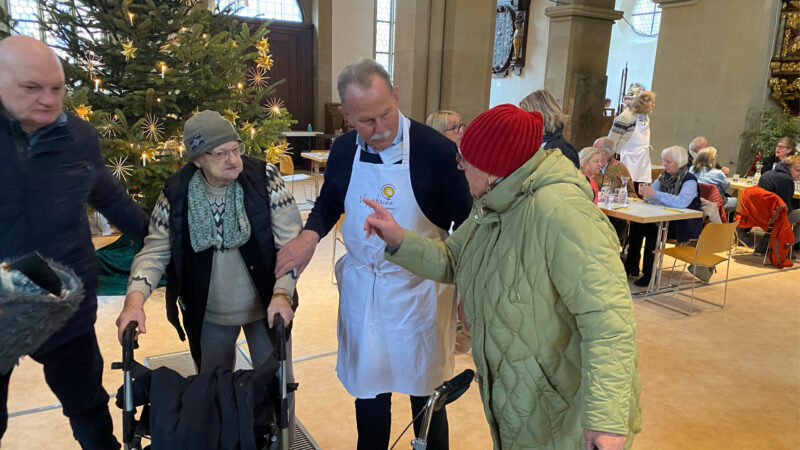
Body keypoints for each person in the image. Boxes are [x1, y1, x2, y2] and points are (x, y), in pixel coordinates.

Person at [361, 104, 641, 450]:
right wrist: (400, 240)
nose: (459, 166)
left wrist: (606, 421)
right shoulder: (493, 203)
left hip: (566, 416)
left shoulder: (564, 214)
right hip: (522, 404)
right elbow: (454, 259)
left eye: (465, 159)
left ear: (493, 168)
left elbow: (609, 323)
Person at [274, 58, 472, 450]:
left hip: (421, 292)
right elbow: (330, 200)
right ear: (346, 117)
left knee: (427, 397)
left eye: (386, 113)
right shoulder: (345, 150)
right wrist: (310, 236)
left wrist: (467, 287)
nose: (380, 129)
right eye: (367, 121)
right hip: (366, 290)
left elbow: (465, 226)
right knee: (370, 394)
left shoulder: (435, 151)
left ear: (396, 96)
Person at [0, 35, 150, 449]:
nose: (49, 100)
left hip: (64, 304)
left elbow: (110, 196)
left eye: (57, 88)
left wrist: (162, 240)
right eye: (32, 88)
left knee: (89, 410)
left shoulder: (78, 136)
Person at [115, 111, 302, 438]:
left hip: (267, 304)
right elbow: (155, 250)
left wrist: (283, 293)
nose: (234, 159)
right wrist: (134, 303)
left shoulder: (265, 178)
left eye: (236, 148)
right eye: (220, 153)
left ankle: (280, 440)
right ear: (198, 159)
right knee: (213, 389)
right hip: (211, 311)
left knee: (278, 386)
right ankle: (225, 441)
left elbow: (291, 244)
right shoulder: (176, 192)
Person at [626, 146, 703, 287]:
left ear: (679, 163)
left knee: (653, 230)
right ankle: (631, 267)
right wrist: (648, 194)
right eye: (664, 161)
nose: (664, 165)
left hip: (681, 223)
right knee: (637, 225)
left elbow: (681, 203)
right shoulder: (664, 176)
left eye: (668, 162)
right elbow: (651, 196)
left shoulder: (689, 180)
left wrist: (655, 195)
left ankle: (650, 275)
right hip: (663, 217)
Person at [519, 89, 580, 168]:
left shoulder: (563, 150)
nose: (522, 121)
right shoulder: (532, 144)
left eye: (525, 116)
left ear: (541, 116)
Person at [608, 91, 656, 186]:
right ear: (643, 103)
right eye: (652, 102)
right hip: (625, 159)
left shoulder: (646, 118)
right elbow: (611, 140)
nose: (654, 105)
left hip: (642, 160)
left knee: (637, 189)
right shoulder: (625, 117)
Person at [757, 154, 800, 251]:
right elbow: (785, 207)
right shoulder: (786, 179)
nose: (799, 174)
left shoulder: (768, 174)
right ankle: (784, 246)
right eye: (797, 170)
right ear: (789, 168)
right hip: (774, 216)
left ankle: (770, 244)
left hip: (759, 214)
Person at [690, 147, 737, 211]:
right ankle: (731, 220)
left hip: (695, 202)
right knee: (739, 202)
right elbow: (726, 186)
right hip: (715, 203)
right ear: (713, 159)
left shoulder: (692, 169)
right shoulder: (718, 173)